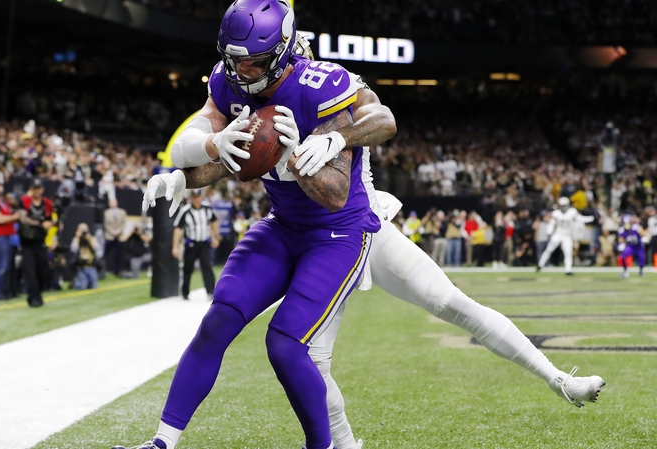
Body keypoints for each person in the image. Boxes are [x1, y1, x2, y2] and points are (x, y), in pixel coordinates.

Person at [144, 25, 606, 449]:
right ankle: (340, 445)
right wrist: (181, 178)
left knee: (453, 304)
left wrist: (328, 142)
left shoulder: (325, 93)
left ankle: (556, 377)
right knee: (301, 356)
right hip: (295, 233)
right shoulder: (241, 90)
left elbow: (357, 157)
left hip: (354, 229)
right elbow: (228, 157)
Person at [127, 2, 381, 448]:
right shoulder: (227, 82)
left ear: (282, 51)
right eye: (235, 59)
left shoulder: (321, 86)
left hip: (337, 232)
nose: (242, 71)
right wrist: (181, 177)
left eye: (254, 61)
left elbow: (335, 193)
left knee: (284, 344)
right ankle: (162, 442)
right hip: (282, 225)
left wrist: (295, 152)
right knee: (217, 320)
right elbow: (217, 159)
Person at [172, 189, 220, 301]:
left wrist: (216, 237)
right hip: (191, 243)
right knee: (188, 268)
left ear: (201, 197)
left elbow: (213, 222)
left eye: (198, 197)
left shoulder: (208, 208)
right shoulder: (185, 211)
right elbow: (178, 229)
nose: (197, 199)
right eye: (194, 197)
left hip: (204, 242)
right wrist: (175, 246)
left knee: (207, 266)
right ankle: (185, 293)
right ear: (191, 198)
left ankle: (211, 291)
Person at [17, 179, 53, 307]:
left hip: (40, 240)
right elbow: (22, 218)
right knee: (30, 270)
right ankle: (34, 297)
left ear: (42, 189)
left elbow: (50, 220)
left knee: (43, 269)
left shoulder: (47, 203)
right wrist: (39, 223)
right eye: (35, 188)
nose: (37, 191)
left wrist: (51, 225)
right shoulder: (25, 201)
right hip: (27, 240)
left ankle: (37, 293)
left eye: (39, 188)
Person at [536, 197, 595, 275]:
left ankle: (568, 270)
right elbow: (552, 223)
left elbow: (579, 218)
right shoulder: (556, 213)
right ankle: (540, 265)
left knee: (568, 253)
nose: (563, 207)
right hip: (558, 235)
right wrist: (549, 232)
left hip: (566, 236)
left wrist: (590, 218)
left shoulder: (571, 212)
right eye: (562, 205)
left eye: (564, 205)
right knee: (549, 250)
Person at [104, 197, 128, 278]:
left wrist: (118, 231)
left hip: (119, 236)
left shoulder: (122, 212)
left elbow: (123, 223)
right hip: (109, 236)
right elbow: (106, 224)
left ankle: (118, 271)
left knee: (119, 255)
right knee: (105, 254)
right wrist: (112, 231)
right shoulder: (106, 212)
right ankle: (103, 270)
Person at [71, 223, 99, 290]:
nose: (83, 231)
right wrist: (77, 237)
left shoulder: (92, 238)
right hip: (81, 267)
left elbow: (97, 250)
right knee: (82, 287)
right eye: (81, 229)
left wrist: (89, 239)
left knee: (94, 286)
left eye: (84, 229)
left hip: (91, 266)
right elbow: (73, 249)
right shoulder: (76, 239)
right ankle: (75, 283)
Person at [618, 214, 647, 278]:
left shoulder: (636, 227)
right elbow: (620, 239)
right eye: (625, 223)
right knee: (623, 257)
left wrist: (645, 237)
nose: (627, 224)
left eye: (628, 222)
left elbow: (643, 233)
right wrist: (620, 244)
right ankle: (625, 271)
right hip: (630, 246)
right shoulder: (622, 230)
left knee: (642, 258)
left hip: (638, 246)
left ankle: (641, 271)